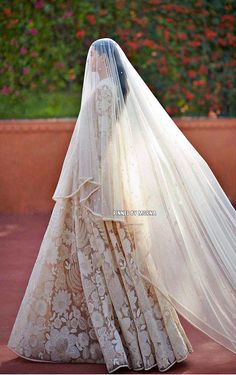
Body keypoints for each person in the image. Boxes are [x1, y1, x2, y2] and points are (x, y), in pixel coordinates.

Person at [7, 38, 236, 373]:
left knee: (100, 259)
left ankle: (121, 341)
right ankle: (147, 339)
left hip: (98, 189)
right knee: (122, 261)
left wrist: (88, 188)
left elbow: (97, 145)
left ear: (105, 59)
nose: (92, 61)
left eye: (95, 56)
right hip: (113, 186)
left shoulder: (102, 93)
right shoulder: (120, 95)